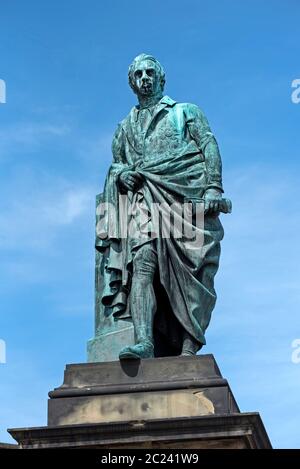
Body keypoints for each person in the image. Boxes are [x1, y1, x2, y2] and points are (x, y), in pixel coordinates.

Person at [97, 54, 227, 360]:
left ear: (161, 78)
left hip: (185, 202)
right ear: (132, 83)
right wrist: (123, 174)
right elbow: (117, 166)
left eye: (150, 72)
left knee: (190, 271)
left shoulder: (185, 112)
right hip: (145, 201)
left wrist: (213, 187)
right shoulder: (124, 128)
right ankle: (144, 341)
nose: (144, 77)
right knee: (141, 263)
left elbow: (208, 146)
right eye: (138, 74)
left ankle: (188, 344)